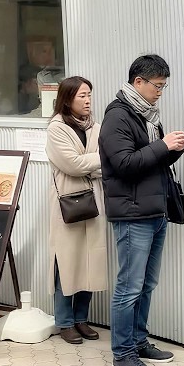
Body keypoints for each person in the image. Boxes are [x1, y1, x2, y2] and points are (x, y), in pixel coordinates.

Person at [99, 54, 184, 366]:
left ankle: (139, 341)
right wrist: (162, 145)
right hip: (132, 214)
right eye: (158, 86)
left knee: (147, 284)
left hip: (155, 210)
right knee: (129, 286)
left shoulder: (147, 116)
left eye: (163, 86)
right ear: (139, 82)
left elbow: (152, 161)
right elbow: (123, 164)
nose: (160, 92)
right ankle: (122, 354)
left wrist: (173, 148)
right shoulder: (118, 117)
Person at [46, 76, 108, 345]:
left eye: (89, 95)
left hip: (94, 200)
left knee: (90, 261)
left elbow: (110, 160)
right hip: (68, 202)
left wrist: (89, 163)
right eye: (82, 95)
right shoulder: (56, 128)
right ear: (67, 98)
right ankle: (64, 322)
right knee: (67, 260)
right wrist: (95, 162)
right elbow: (71, 164)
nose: (87, 100)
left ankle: (82, 319)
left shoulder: (96, 126)